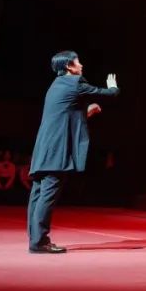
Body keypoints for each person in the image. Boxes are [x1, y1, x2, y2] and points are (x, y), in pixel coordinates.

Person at [27, 51, 117, 253]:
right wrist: (113, 87)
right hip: (57, 149)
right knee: (47, 195)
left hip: (43, 148)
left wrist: (87, 112)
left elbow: (65, 115)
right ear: (68, 66)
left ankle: (36, 240)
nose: (81, 65)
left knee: (38, 194)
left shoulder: (54, 86)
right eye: (78, 62)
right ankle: (39, 242)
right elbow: (107, 93)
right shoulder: (75, 83)